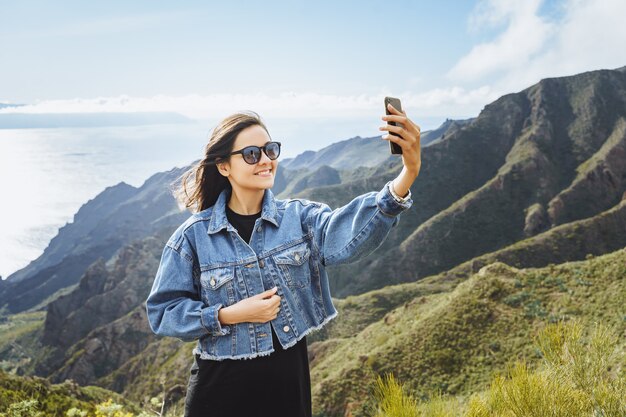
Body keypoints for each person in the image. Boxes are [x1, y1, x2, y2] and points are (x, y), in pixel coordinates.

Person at [145, 103, 421, 417]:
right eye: (251, 154)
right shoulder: (192, 238)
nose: (265, 161)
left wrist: (407, 174)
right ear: (224, 166)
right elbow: (163, 313)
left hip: (288, 390)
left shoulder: (300, 219)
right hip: (218, 395)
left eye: (270, 150)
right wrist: (229, 314)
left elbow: (346, 235)